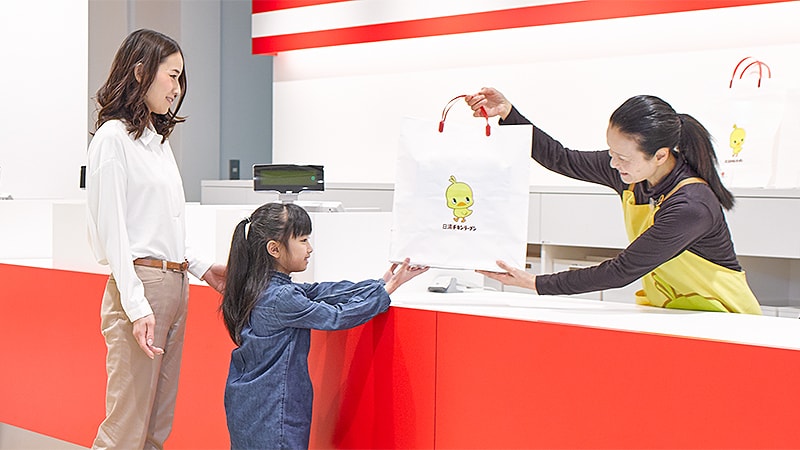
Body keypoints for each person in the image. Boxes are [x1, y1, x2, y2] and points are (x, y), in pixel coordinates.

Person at [467, 87, 761, 314]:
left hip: (725, 317)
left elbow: (622, 270)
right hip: (672, 312)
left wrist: (535, 282)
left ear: (660, 155)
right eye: (611, 152)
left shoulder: (691, 206)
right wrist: (508, 113)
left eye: (622, 157)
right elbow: (561, 158)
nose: (613, 163)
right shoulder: (633, 174)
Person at [86, 29, 227, 449]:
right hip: (141, 288)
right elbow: (113, 234)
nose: (177, 88)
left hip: (174, 284)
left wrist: (202, 268)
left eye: (181, 78)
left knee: (156, 427)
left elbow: (163, 226)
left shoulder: (157, 144)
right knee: (125, 427)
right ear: (141, 71)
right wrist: (135, 304)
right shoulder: (113, 140)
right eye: (172, 75)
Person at [221, 202, 428, 449]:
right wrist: (387, 292)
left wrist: (381, 282)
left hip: (248, 404)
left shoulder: (257, 287)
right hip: (274, 408)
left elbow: (321, 291)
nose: (310, 249)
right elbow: (337, 316)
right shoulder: (281, 297)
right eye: (303, 240)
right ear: (274, 249)